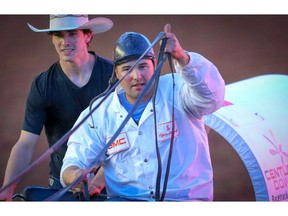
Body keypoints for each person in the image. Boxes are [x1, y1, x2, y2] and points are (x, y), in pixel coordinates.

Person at [60, 23, 225, 201]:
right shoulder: (98, 113)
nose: (137, 76)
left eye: (143, 66)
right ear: (116, 72)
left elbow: (212, 99)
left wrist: (182, 57)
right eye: (127, 69)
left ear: (155, 65)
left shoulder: (179, 89)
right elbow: (73, 162)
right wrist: (75, 176)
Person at [0, 14, 113, 201]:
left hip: (111, 185)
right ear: (51, 38)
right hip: (63, 186)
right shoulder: (43, 85)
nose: (65, 42)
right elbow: (26, 144)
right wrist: (7, 189)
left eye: (72, 34)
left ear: (88, 36)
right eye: (58, 35)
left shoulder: (114, 76)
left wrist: (100, 180)